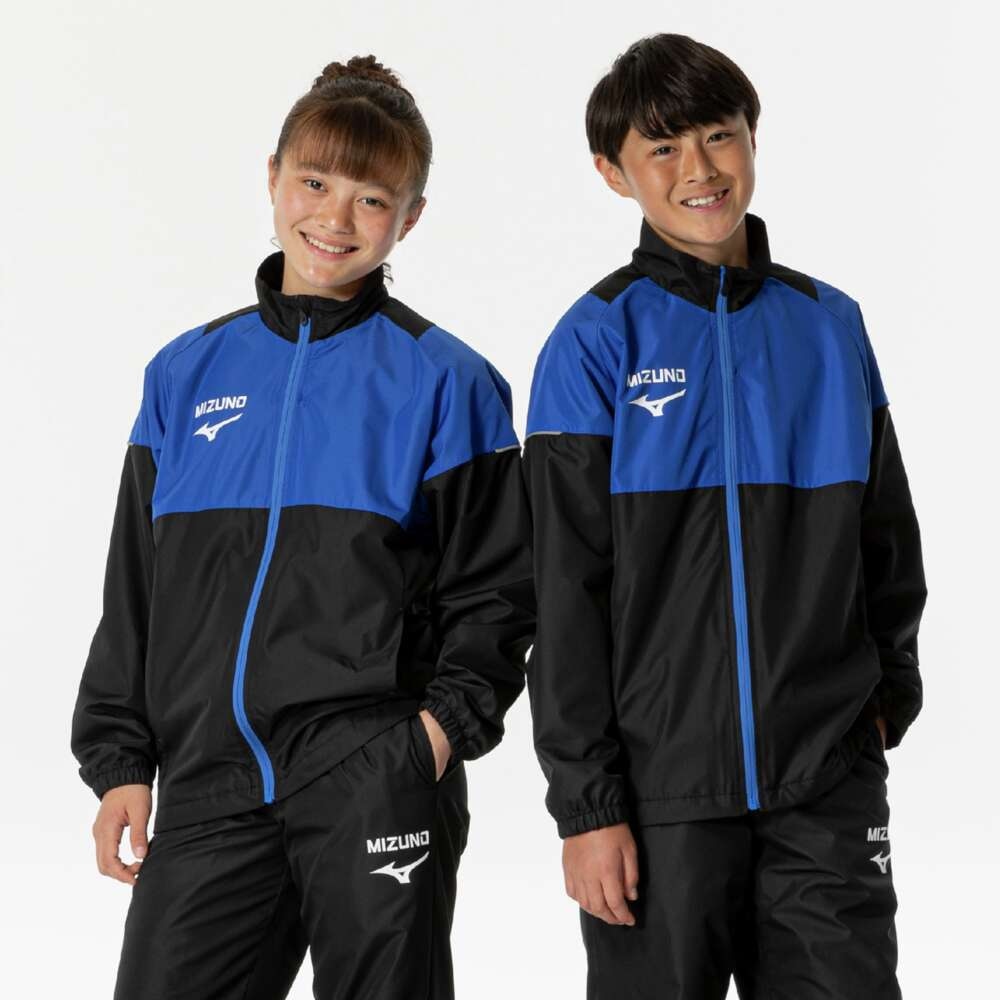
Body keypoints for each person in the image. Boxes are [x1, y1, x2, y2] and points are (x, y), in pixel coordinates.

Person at [71, 54, 535, 1000]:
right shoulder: (185, 372)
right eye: (315, 182)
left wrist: (431, 739)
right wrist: (120, 759)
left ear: (410, 218)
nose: (335, 217)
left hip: (372, 771)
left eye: (373, 199)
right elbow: (136, 584)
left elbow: (499, 591)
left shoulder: (446, 381)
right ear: (273, 177)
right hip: (209, 779)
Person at [523, 32, 926, 999]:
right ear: (613, 172)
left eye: (718, 135)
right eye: (663, 148)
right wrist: (587, 805)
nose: (699, 170)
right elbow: (564, 592)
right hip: (658, 794)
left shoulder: (829, 325)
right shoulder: (594, 342)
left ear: (752, 136)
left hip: (826, 781)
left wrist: (886, 696)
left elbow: (885, 534)